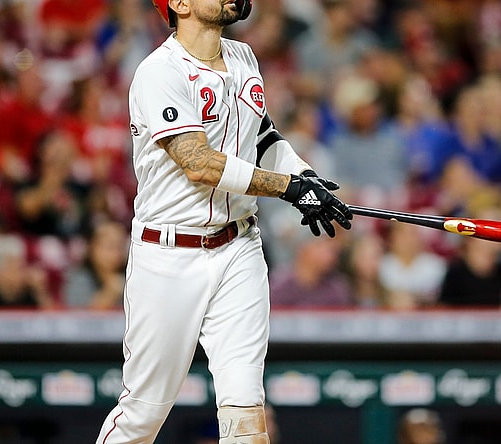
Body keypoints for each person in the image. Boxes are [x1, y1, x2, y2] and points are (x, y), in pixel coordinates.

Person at [95, 1, 352, 443]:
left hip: (239, 248)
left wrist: (304, 175)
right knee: (142, 414)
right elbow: (198, 163)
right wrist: (287, 187)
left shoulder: (243, 56)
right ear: (180, 3)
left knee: (246, 412)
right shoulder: (160, 72)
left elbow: (265, 136)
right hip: (170, 253)